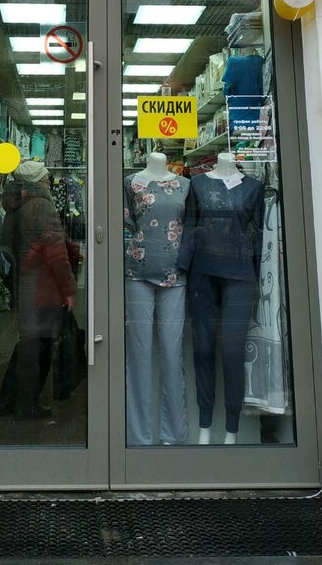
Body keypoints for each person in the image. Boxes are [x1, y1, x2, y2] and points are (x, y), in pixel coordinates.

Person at [177, 153, 264, 445]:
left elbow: (259, 234)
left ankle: (232, 428)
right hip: (202, 274)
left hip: (240, 275)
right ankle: (205, 424)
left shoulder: (253, 187)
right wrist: (182, 266)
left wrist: (259, 274)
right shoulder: (198, 184)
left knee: (232, 351)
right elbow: (190, 226)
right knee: (203, 349)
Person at [0, 161, 76, 420]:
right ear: (39, 181)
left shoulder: (14, 206)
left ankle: (8, 400)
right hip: (43, 283)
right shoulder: (42, 205)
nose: (49, 183)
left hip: (24, 280)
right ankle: (26, 404)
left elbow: (5, 243)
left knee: (28, 341)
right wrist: (68, 288)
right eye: (46, 179)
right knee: (40, 345)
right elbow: (56, 253)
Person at [123, 151, 190, 446]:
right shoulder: (130, 183)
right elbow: (127, 224)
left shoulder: (185, 185)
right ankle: (138, 437)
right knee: (138, 353)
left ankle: (173, 435)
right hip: (138, 273)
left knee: (173, 353)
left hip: (176, 275)